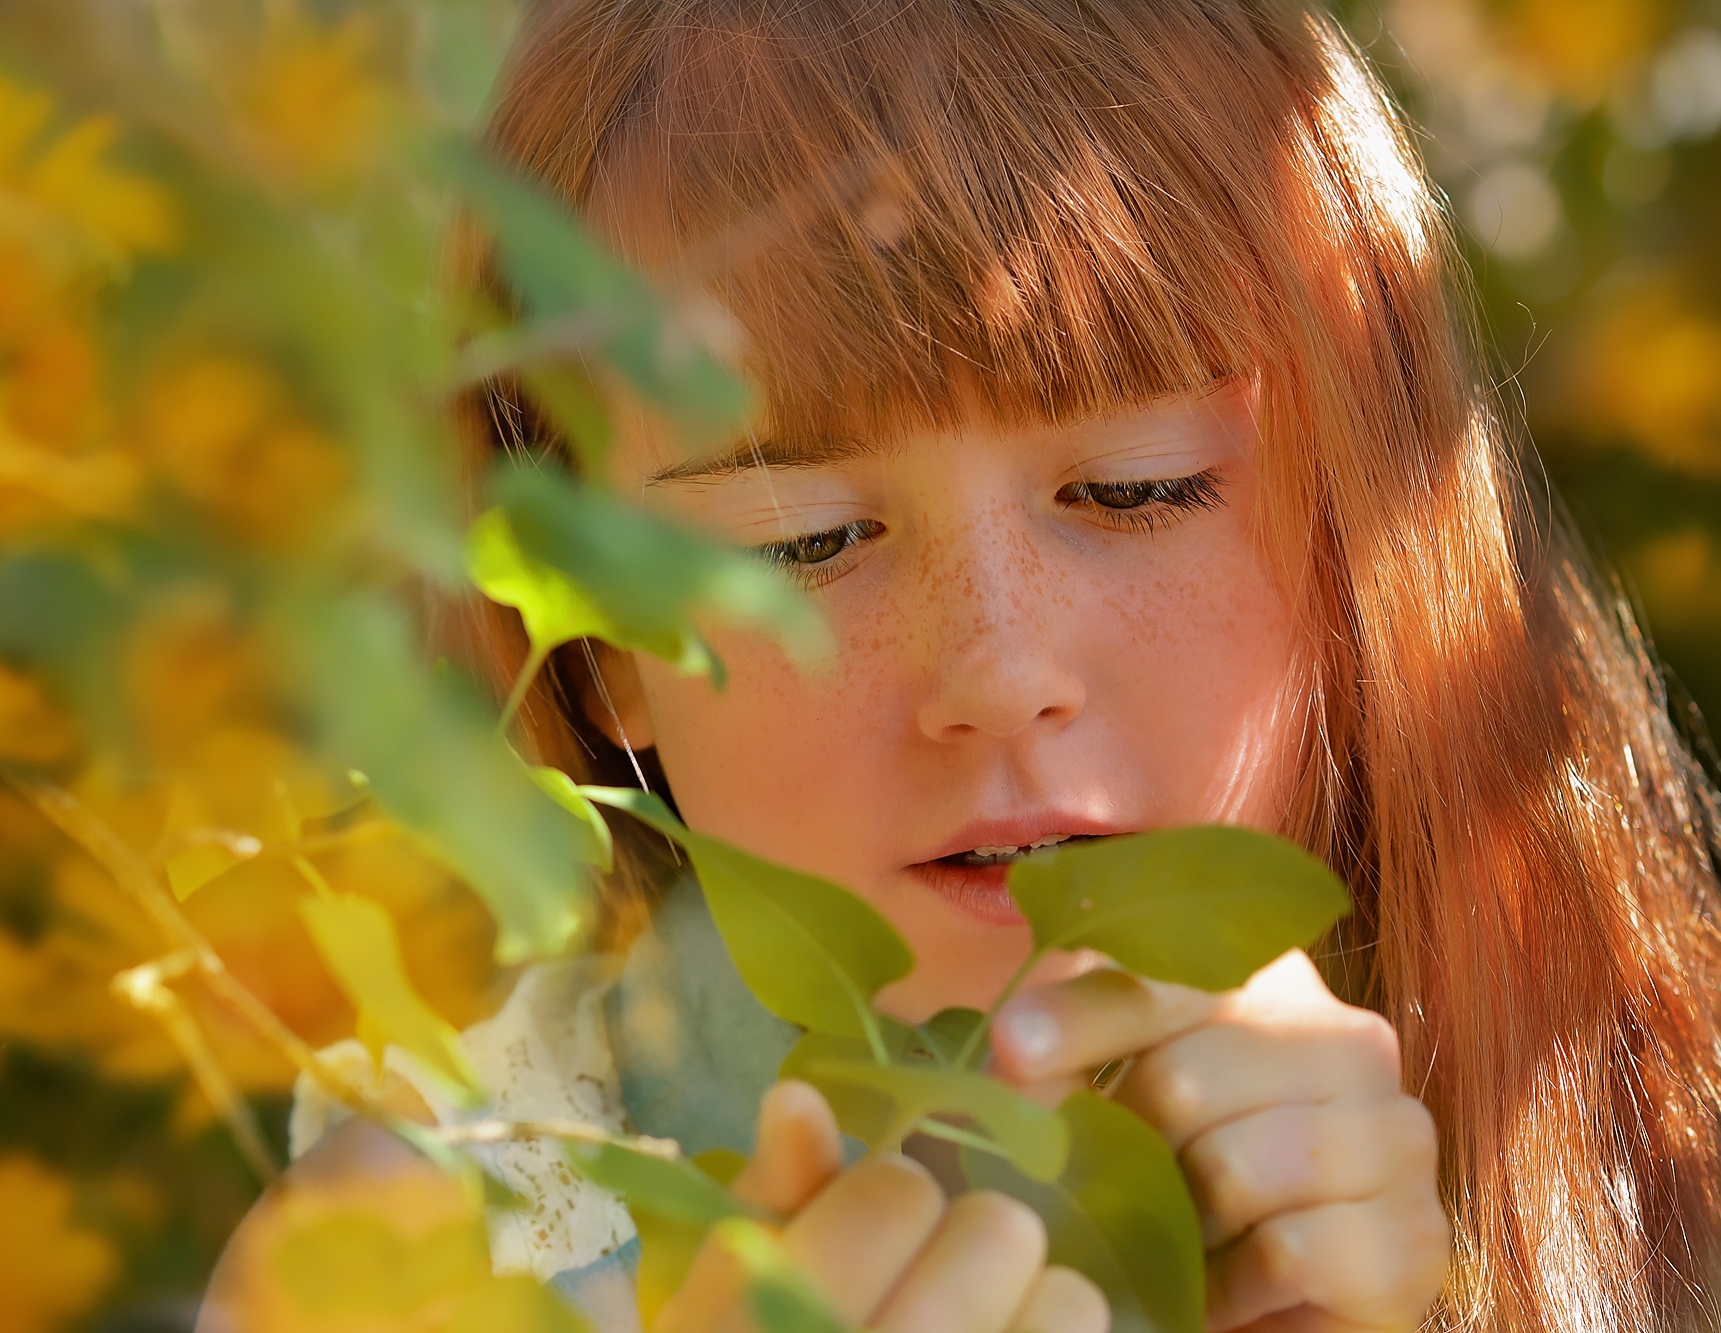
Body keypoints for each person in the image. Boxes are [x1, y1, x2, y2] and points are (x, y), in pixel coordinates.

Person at [202, 2, 1721, 1330]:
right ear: (601, 653)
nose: (998, 667)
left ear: (1369, 532)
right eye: (804, 540)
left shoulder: (1650, 1137)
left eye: (1135, 488)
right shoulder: (407, 1263)